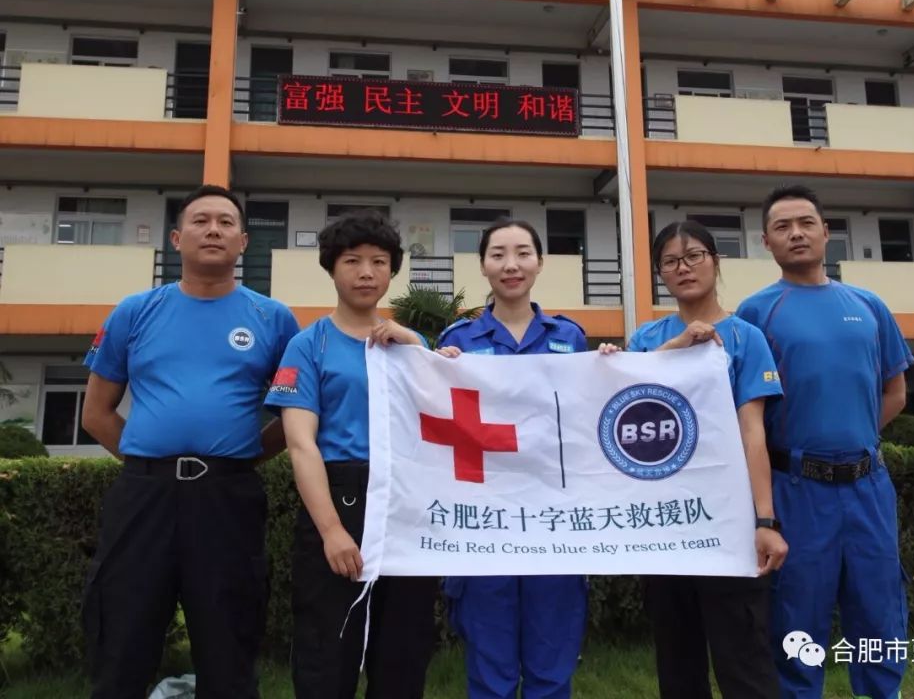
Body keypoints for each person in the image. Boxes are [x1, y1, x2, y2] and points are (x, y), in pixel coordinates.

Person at [80, 184, 300, 699]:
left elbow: (296, 414)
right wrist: (148, 462)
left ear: (244, 242)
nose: (214, 230)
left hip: (228, 499)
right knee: (123, 635)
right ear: (177, 238)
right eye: (201, 221)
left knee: (229, 637)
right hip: (143, 498)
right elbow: (96, 413)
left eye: (226, 222)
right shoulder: (135, 312)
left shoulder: (273, 319)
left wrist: (240, 458)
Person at [736, 184, 913, 699]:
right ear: (766, 242)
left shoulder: (868, 305)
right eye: (783, 227)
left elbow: (896, 392)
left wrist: (850, 439)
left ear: (827, 232)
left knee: (879, 616)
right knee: (796, 623)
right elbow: (745, 409)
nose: (797, 234)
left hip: (868, 489)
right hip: (796, 490)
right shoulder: (755, 313)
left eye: (806, 223)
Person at [265, 209, 438, 699]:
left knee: (403, 648)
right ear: (331, 268)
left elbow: (438, 427)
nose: (366, 272)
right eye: (353, 261)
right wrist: (331, 531)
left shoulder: (411, 343)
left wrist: (416, 349)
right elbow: (301, 444)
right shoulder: (307, 345)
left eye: (379, 261)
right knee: (328, 650)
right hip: (339, 496)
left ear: (392, 270)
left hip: (404, 501)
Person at [621, 219, 787, 699]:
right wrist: (672, 349)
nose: (683, 268)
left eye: (694, 255)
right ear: (660, 274)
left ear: (716, 262)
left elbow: (752, 432)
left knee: (744, 662)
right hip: (664, 525)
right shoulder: (646, 340)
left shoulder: (745, 338)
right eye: (670, 261)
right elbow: (629, 417)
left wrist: (765, 519)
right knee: (677, 664)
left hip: (728, 522)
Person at [435, 216, 588, 699]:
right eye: (498, 254)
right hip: (484, 522)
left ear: (540, 262)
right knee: (490, 668)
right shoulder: (457, 342)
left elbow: (587, 421)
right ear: (482, 265)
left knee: (552, 664)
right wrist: (431, 368)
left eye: (523, 252)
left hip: (553, 521)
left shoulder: (571, 338)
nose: (511, 264)